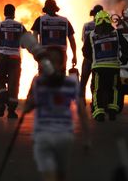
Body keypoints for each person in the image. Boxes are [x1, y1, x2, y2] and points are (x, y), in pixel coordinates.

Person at [25, 47, 88, 181]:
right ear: (62, 64)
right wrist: (87, 138)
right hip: (65, 136)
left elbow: (27, 107)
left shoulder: (38, 82)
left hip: (43, 135)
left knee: (49, 175)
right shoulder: (71, 82)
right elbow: (81, 111)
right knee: (61, 174)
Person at [82, 10, 128, 122]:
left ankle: (98, 113)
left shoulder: (91, 35)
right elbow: (125, 46)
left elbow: (85, 52)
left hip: (98, 68)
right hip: (113, 67)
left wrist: (93, 59)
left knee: (97, 89)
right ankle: (112, 110)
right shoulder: (117, 33)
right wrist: (124, 58)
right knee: (114, 88)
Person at [0, 3, 26, 119]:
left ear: (4, 13)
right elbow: (24, 44)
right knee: (14, 84)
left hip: (1, 57)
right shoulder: (20, 27)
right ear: (14, 13)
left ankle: (2, 101)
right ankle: (11, 111)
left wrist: (3, 49)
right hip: (15, 59)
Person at [31, 0, 76, 69]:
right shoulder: (65, 20)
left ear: (45, 9)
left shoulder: (40, 20)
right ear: (55, 8)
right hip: (61, 55)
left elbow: (34, 37)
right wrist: (74, 55)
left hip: (45, 53)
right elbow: (72, 40)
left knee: (44, 77)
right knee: (60, 77)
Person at [79, 5, 103, 101]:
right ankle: (95, 101)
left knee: (83, 80)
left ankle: (81, 100)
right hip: (100, 58)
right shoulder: (106, 27)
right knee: (97, 81)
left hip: (88, 57)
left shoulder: (87, 26)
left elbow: (83, 40)